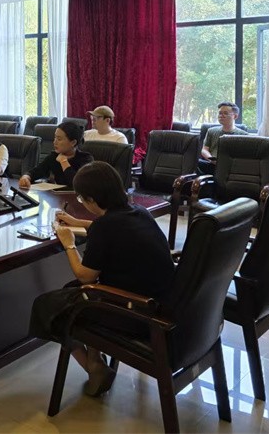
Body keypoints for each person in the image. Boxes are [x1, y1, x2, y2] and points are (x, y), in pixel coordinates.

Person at [28, 162, 174, 397]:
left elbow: (85, 275)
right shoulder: (139, 212)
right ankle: (95, 357)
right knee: (72, 292)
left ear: (92, 200)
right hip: (161, 302)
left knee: (47, 306)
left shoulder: (106, 226)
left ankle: (93, 366)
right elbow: (111, 228)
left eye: (82, 199)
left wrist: (68, 244)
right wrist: (78, 223)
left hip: (136, 314)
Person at [19, 121, 93, 189]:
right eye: (55, 138)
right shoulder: (54, 156)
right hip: (58, 197)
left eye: (59, 139)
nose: (55, 142)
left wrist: (64, 162)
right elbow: (37, 171)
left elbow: (77, 184)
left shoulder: (85, 159)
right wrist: (26, 177)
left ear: (73, 142)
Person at [199, 101, 249, 173]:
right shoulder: (211, 131)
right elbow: (204, 150)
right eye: (220, 113)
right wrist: (211, 160)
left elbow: (243, 157)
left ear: (235, 116)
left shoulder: (243, 135)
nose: (221, 115)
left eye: (225, 113)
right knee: (194, 162)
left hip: (231, 167)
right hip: (212, 164)